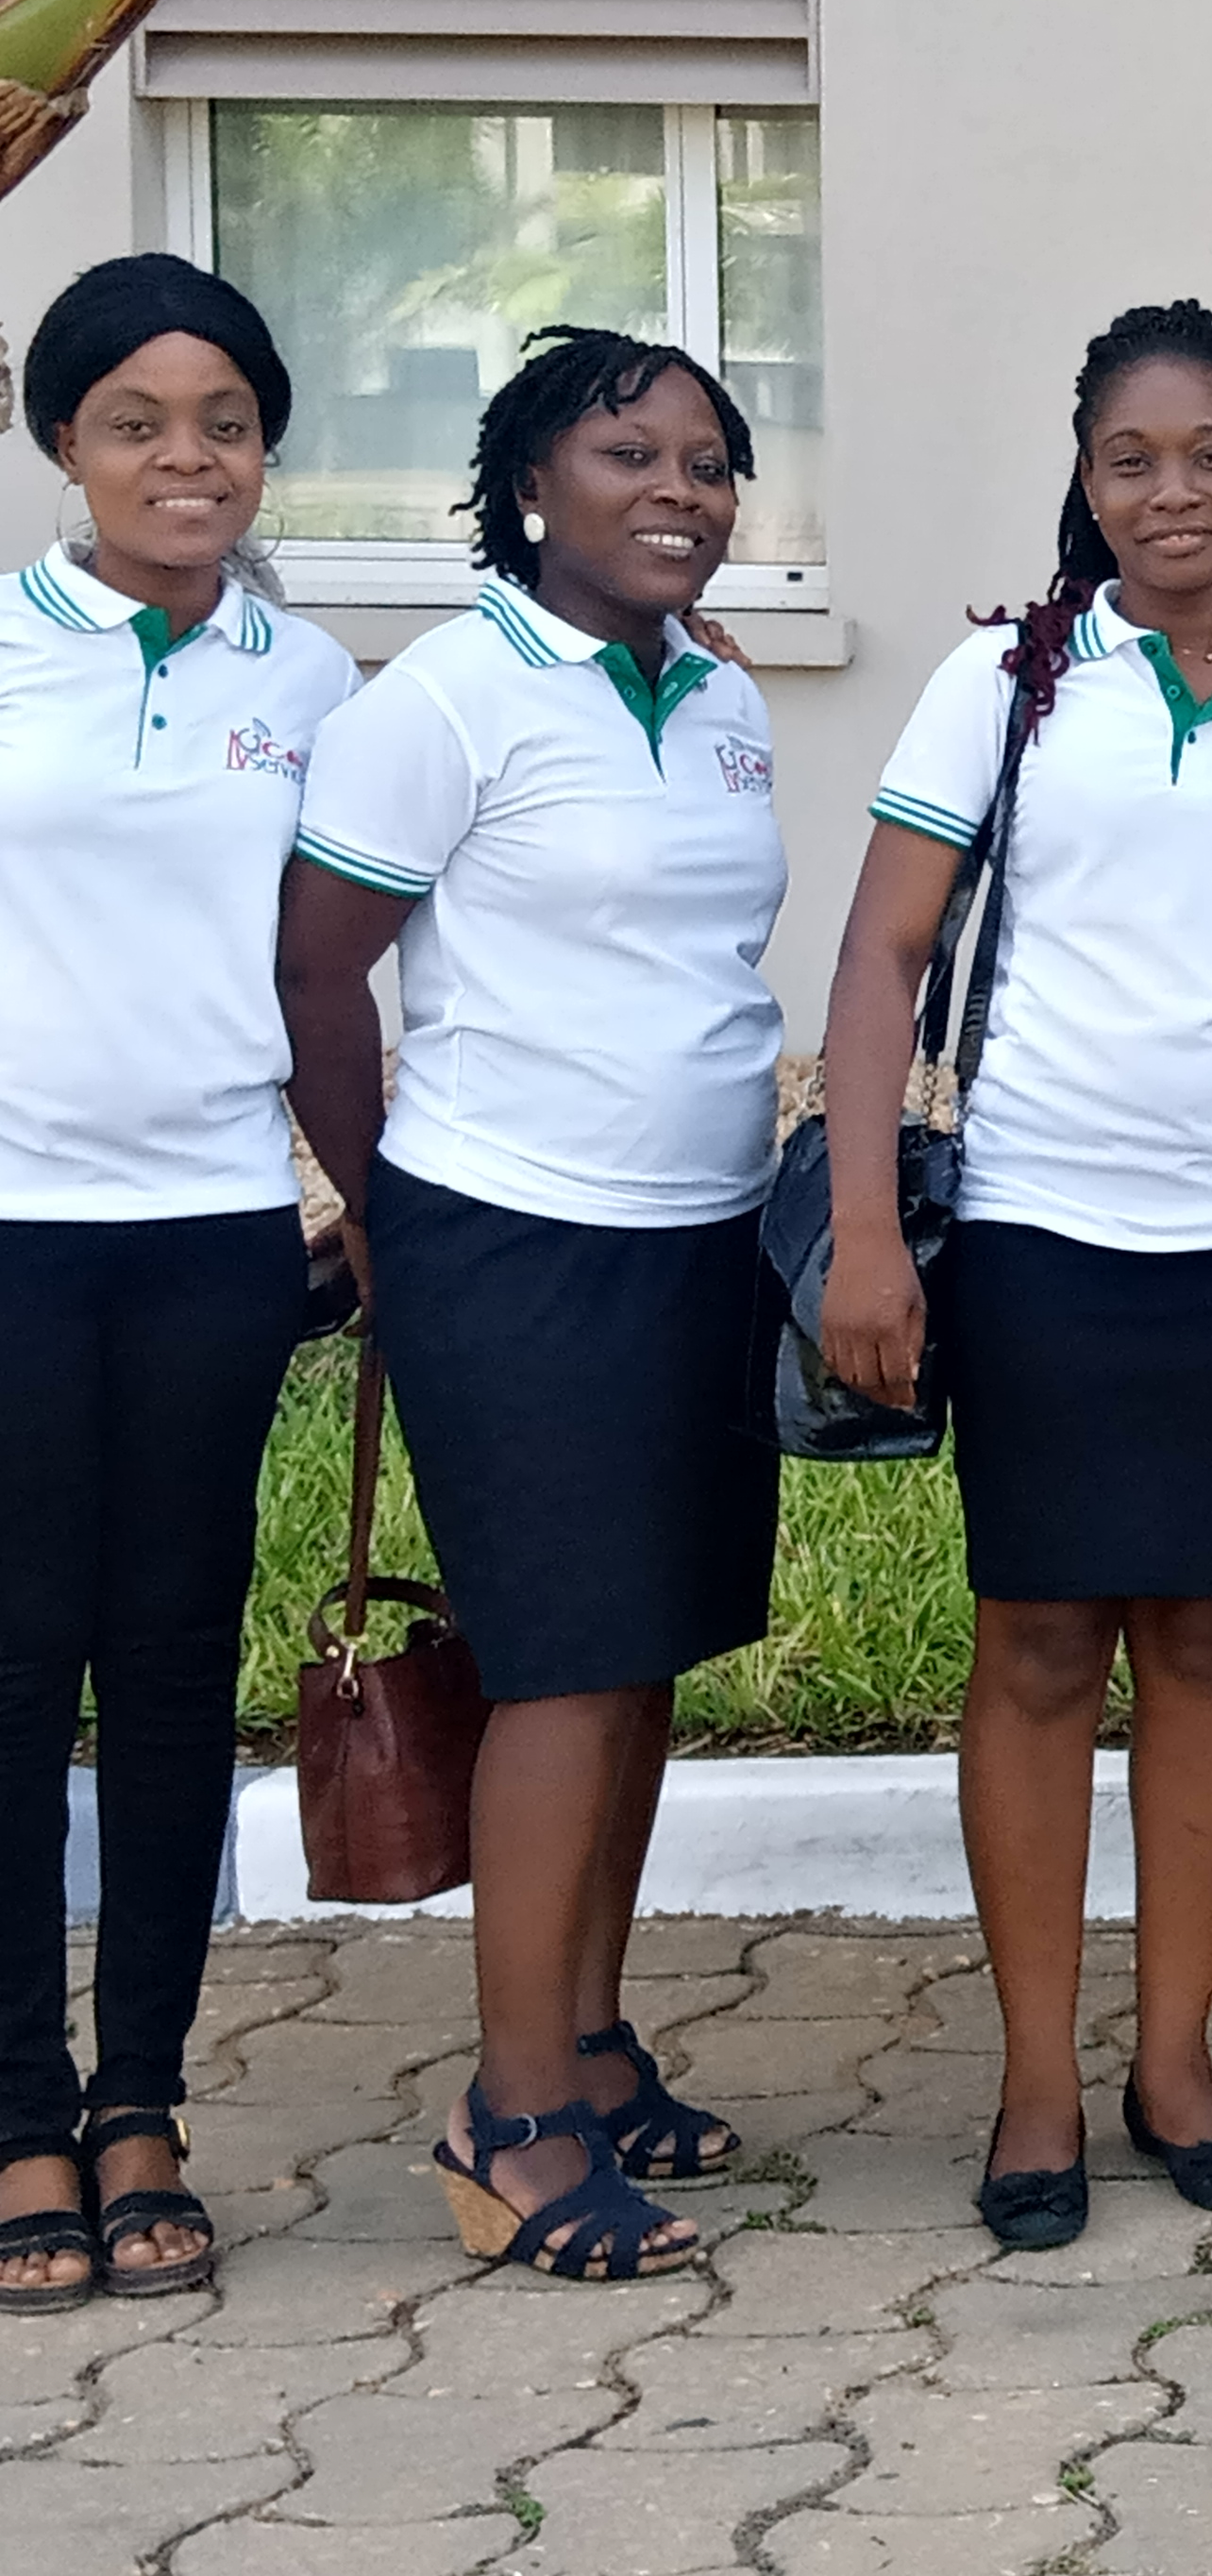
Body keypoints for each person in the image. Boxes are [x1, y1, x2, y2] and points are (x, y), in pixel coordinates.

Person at [818, 302, 1212, 2245]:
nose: (1175, 491)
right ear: (1085, 481)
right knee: (1036, 1649)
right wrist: (856, 1235)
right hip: (1042, 1244)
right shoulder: (1010, 678)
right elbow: (879, 962)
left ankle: (1174, 2061)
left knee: (1211, 1649)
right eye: (1132, 459)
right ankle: (1032, 2083)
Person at [278, 328, 791, 2281]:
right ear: (528, 488)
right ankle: (512, 2118)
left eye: (712, 461)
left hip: (695, 1233)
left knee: (640, 1650)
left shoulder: (719, 696)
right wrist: (389, 1208)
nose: (680, 489)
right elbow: (323, 974)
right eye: (629, 452)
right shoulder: (450, 695)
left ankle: (592, 2036)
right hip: (511, 1234)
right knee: (562, 1663)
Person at [0, 258, 354, 2312]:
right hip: (17, 1237)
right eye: (137, 419)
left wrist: (352, 1187)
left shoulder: (307, 686)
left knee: (168, 1669)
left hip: (219, 1234)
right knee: (14, 1663)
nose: (184, 456)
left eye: (221, 419)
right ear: (65, 444)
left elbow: (352, 958)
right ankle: (16, 2108)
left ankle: (139, 2101)